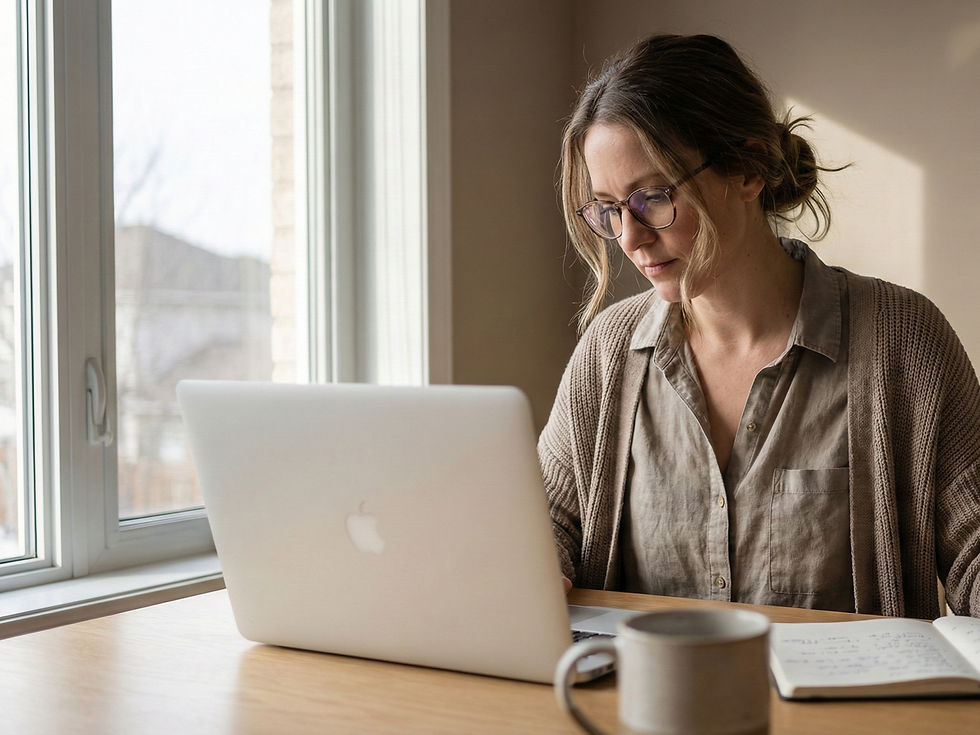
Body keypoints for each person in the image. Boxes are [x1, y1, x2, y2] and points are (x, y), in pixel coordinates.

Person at [539, 33, 980, 618]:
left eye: (651, 197)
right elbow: (548, 528)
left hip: (848, 711)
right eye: (608, 208)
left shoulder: (902, 340)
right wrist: (535, 564)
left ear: (747, 169)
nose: (629, 237)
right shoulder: (609, 353)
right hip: (640, 707)